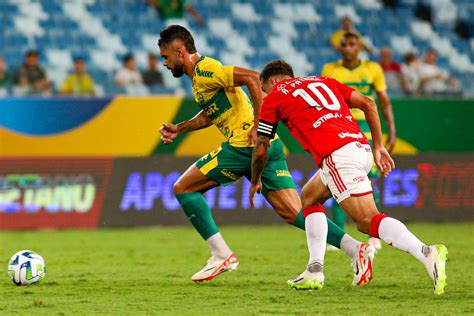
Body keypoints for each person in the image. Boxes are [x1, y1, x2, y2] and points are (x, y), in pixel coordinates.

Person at [157, 25, 375, 284]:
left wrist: (261, 126)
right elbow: (212, 113)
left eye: (166, 56)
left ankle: (221, 254)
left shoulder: (207, 69)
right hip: (268, 147)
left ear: (180, 52)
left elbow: (251, 77)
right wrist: (180, 128)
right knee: (294, 213)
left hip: (243, 145)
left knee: (183, 188)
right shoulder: (200, 80)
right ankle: (355, 249)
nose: (165, 63)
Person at [250, 59, 448, 294]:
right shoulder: (323, 81)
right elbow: (368, 103)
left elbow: (261, 146)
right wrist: (379, 146)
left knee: (366, 221)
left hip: (337, 156)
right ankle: (314, 270)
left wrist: (255, 179)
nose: (264, 96)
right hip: (359, 148)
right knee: (309, 198)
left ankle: (426, 252)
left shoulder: (276, 95)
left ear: (272, 81)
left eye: (264, 90)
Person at [322, 32, 396, 250]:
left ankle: (375, 234)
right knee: (336, 180)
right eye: (343, 44)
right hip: (338, 128)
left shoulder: (372, 69)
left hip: (365, 131)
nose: (347, 48)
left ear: (360, 47)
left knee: (370, 181)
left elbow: (383, 101)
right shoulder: (330, 69)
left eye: (352, 44)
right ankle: (338, 236)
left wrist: (391, 126)